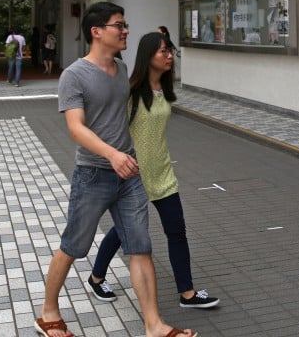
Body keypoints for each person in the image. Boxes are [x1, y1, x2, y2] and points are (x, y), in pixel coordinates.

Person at [35, 2, 196, 337]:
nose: (125, 31)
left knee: (140, 247)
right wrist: (111, 154)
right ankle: (48, 312)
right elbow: (76, 128)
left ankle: (154, 325)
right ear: (97, 32)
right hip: (93, 173)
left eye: (125, 25)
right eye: (119, 25)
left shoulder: (122, 69)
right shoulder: (74, 75)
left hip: (129, 174)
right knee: (73, 246)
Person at [89, 32, 218, 310]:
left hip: (161, 173)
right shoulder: (131, 91)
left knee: (177, 231)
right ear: (148, 57)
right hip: (132, 175)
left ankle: (187, 293)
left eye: (170, 51)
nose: (169, 56)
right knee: (124, 232)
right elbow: (108, 127)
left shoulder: (165, 91)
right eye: (163, 52)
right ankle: (97, 277)